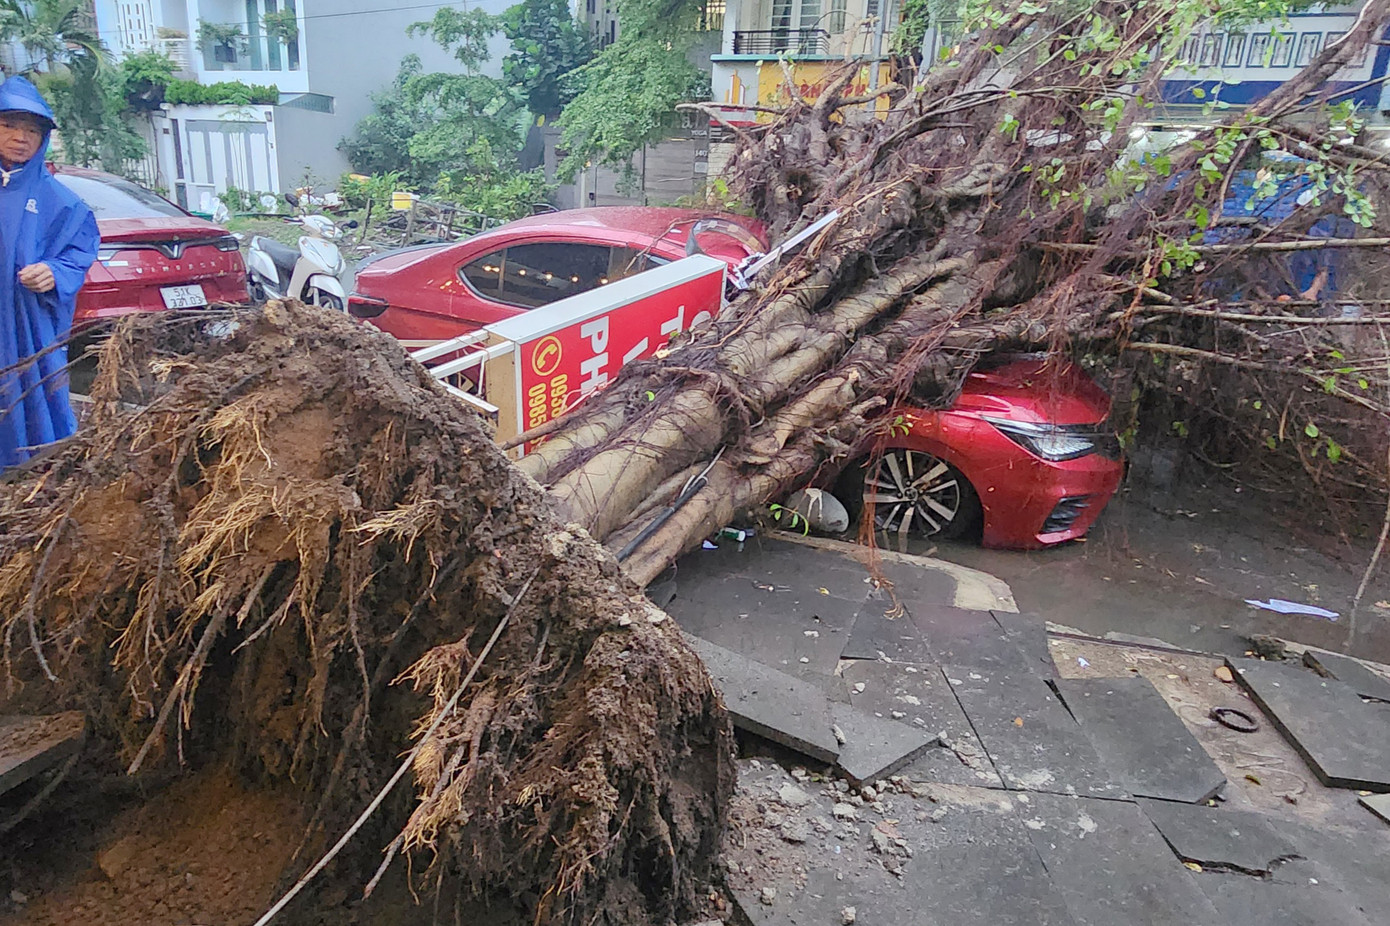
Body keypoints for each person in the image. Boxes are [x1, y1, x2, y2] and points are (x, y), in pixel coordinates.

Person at [0, 75, 99, 468]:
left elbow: (80, 250)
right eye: (10, 125)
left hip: (29, 331)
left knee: (34, 406)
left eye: (32, 130)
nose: (21, 137)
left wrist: (54, 272)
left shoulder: (61, 201)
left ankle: (33, 482)